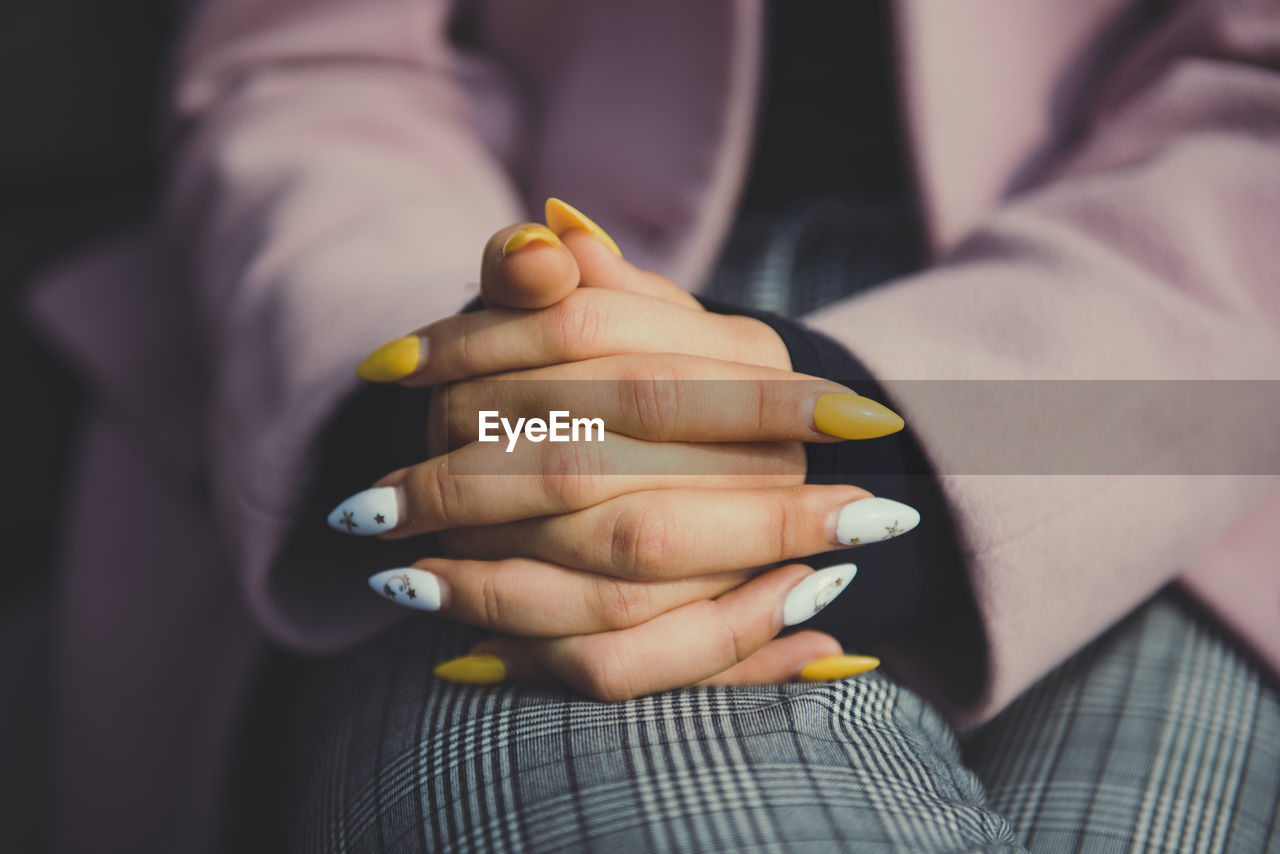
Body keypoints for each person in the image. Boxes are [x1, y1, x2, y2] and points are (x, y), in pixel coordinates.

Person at [26, 0, 1280, 851]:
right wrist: (470, 399)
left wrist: (881, 457)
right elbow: (308, 61)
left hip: (1132, 370)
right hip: (506, 315)